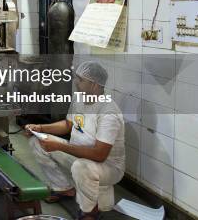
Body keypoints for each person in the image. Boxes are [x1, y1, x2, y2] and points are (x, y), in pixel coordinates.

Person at [25, 61, 125, 220]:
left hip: (107, 167)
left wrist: (58, 146)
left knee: (81, 167)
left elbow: (99, 155)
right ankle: (64, 188)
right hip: (79, 154)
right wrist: (41, 128)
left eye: (80, 79)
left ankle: (89, 212)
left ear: (94, 85)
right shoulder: (79, 99)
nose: (76, 82)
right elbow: (67, 125)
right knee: (38, 143)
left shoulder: (108, 112)